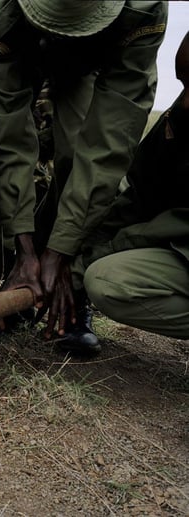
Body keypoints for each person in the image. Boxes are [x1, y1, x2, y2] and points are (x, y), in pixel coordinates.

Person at [0, 0, 167, 353]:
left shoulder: (143, 8)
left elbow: (109, 141)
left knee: (77, 151)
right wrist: (26, 247)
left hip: (93, 61)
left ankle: (69, 287)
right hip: (17, 47)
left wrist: (60, 250)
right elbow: (8, 138)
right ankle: (10, 275)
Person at [77, 31, 189, 340]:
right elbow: (140, 194)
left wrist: (87, 259)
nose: (187, 101)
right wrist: (73, 259)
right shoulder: (180, 119)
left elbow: (169, 226)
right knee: (107, 280)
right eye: (184, 85)